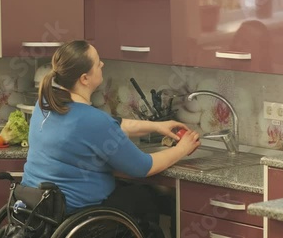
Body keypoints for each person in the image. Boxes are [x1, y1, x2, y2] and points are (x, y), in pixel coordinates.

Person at [21, 40, 201, 237]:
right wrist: (182, 148)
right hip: (78, 217)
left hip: (39, 211)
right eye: (97, 62)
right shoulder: (92, 120)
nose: (102, 64)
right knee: (146, 198)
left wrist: (156, 126)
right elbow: (143, 167)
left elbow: (112, 124)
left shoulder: (45, 103)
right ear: (84, 78)